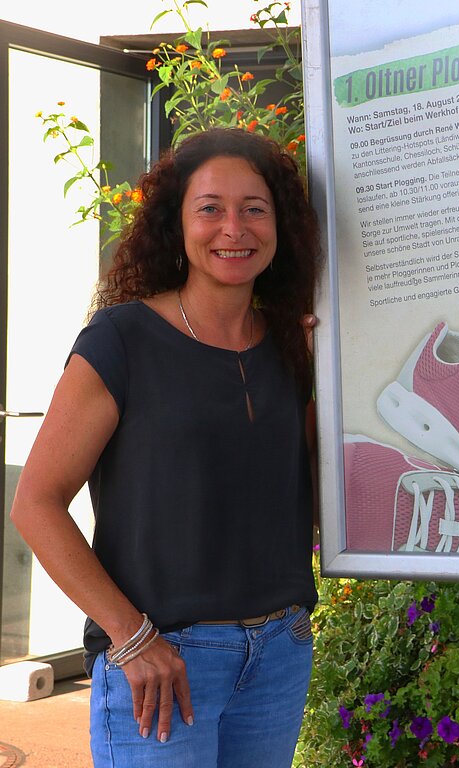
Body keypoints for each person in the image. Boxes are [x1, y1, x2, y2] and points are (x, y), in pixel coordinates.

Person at [10, 128, 321, 767]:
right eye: (210, 208)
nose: (233, 227)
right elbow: (35, 503)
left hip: (278, 655)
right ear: (175, 225)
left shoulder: (296, 347)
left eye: (254, 208)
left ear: (280, 225)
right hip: (161, 663)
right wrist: (131, 637)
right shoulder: (122, 339)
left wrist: (331, 373)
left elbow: (312, 494)